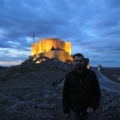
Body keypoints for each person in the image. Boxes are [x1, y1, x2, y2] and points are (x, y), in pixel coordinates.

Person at [62, 53, 101, 120]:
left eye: (80, 61)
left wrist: (93, 107)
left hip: (89, 111)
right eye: (76, 61)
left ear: (83, 62)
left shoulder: (91, 75)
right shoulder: (69, 76)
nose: (78, 63)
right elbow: (65, 95)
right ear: (73, 62)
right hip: (74, 111)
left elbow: (97, 92)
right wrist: (66, 111)